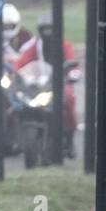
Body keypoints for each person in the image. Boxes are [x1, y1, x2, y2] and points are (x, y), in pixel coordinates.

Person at [15, 14, 79, 159]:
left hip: (60, 83)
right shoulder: (35, 46)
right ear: (40, 30)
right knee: (21, 99)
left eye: (51, 28)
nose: (48, 32)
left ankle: (69, 138)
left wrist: (73, 73)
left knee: (69, 99)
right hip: (40, 84)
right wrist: (16, 71)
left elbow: (72, 63)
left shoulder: (65, 45)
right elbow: (22, 62)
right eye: (45, 29)